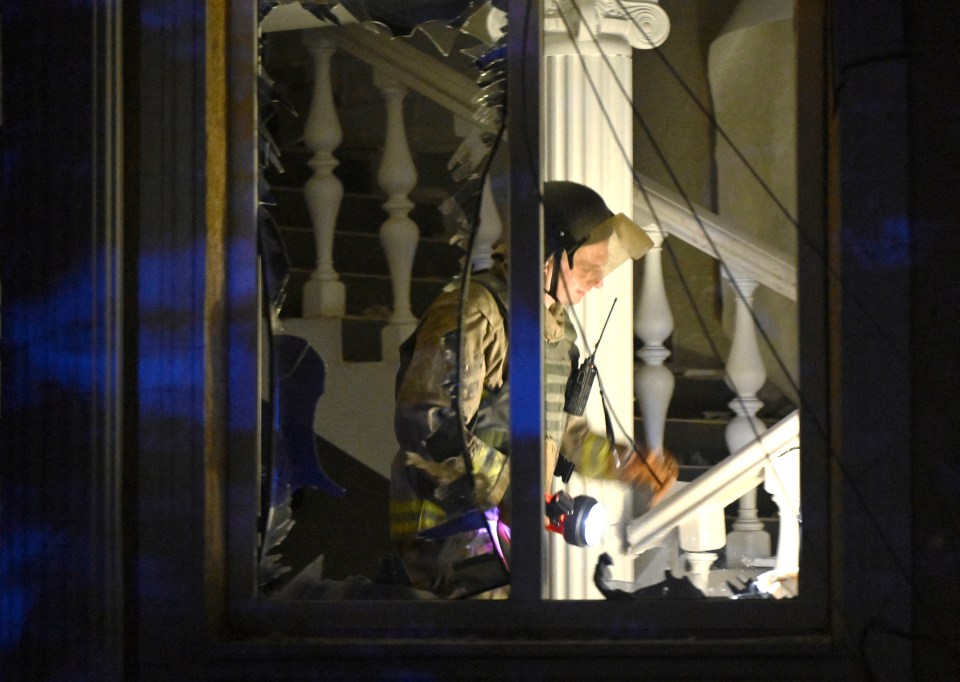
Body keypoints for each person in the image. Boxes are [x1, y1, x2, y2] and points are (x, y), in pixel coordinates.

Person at [389, 181, 679, 598]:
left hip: (506, 537)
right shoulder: (474, 314)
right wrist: (516, 487)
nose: (597, 283)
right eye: (589, 267)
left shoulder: (558, 338)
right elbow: (431, 426)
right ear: (547, 254)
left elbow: (566, 437)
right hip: (448, 537)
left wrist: (626, 465)